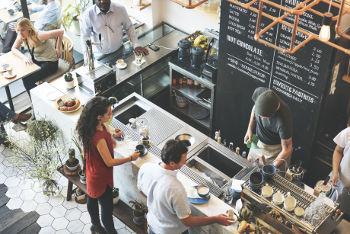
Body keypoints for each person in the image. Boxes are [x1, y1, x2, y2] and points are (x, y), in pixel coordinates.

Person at [137, 139, 234, 234]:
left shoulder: (146, 167)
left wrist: (158, 203)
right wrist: (216, 219)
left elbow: (141, 190)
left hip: (152, 226)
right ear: (172, 163)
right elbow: (188, 221)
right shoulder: (176, 188)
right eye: (183, 161)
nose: (185, 163)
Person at [76, 96, 140, 234]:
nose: (111, 115)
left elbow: (106, 136)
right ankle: (109, 231)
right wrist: (130, 158)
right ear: (99, 116)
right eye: (108, 113)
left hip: (91, 171)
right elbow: (109, 162)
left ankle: (95, 226)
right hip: (100, 178)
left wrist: (112, 137)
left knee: (92, 198)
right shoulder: (98, 138)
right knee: (107, 210)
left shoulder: (93, 126)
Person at [80, 0, 148, 63]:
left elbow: (129, 27)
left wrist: (136, 45)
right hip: (100, 57)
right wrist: (87, 60)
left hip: (120, 52)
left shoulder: (120, 9)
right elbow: (85, 38)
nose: (103, 1)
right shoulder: (88, 14)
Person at [244, 87, 293, 168]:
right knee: (250, 169)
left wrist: (272, 166)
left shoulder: (284, 119)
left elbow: (287, 149)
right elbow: (254, 108)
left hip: (275, 151)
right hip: (258, 143)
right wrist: (249, 129)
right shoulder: (259, 93)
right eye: (260, 116)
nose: (262, 119)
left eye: (265, 117)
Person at [11, 18, 63, 93]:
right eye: (18, 30)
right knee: (24, 76)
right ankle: (39, 96)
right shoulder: (21, 36)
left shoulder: (39, 35)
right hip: (38, 60)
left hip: (50, 62)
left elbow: (60, 32)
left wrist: (58, 48)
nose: (20, 33)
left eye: (22, 30)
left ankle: (39, 98)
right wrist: (24, 57)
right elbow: (13, 48)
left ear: (28, 29)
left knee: (28, 80)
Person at [330, 126, 350, 219]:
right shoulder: (348, 132)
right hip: (338, 181)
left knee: (341, 222)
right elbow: (338, 151)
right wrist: (335, 172)